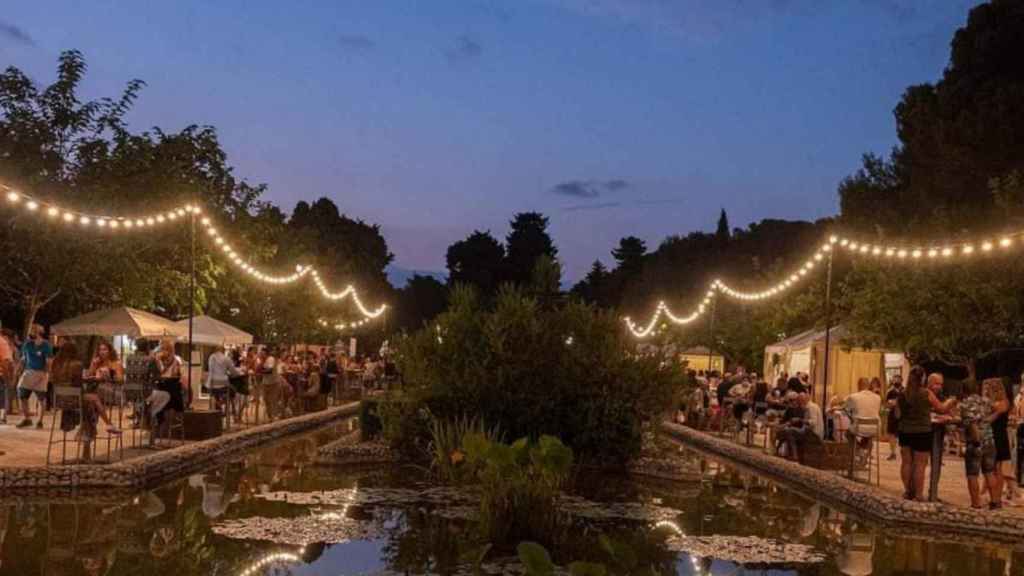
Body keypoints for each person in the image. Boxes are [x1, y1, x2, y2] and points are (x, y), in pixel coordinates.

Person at [896, 366, 955, 501]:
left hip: (905, 431)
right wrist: (951, 401)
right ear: (923, 378)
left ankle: (907, 491)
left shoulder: (902, 393)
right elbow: (941, 409)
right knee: (920, 464)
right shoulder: (926, 393)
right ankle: (918, 495)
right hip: (922, 431)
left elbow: (897, 414)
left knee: (906, 463)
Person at [960, 379, 998, 509]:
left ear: (964, 390)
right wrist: (988, 421)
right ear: (976, 388)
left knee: (972, 474)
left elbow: (972, 424)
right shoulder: (986, 401)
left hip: (975, 443)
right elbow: (996, 411)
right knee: (989, 472)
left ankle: (976, 503)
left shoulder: (965, 404)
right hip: (989, 441)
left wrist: (976, 440)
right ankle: (995, 501)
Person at [15, 324, 52, 429]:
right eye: (31, 330)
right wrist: (18, 370)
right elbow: (23, 359)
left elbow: (49, 362)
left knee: (41, 398)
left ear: (39, 332)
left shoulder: (46, 345)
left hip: (41, 373)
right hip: (28, 372)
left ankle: (40, 421)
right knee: (21, 393)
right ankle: (27, 419)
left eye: (33, 330)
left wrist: (44, 374)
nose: (31, 332)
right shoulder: (27, 344)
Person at [152, 338, 185, 445]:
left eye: (166, 349)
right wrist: (159, 361)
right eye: (162, 349)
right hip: (162, 386)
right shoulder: (158, 359)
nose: (163, 351)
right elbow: (159, 373)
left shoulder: (176, 360)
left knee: (171, 397)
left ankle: (167, 423)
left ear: (170, 350)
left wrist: (170, 366)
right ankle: (161, 424)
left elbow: (176, 374)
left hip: (172, 387)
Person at [985, 377, 1011, 509]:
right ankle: (996, 499)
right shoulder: (1004, 401)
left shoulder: (998, 403)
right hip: (1000, 435)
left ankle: (995, 499)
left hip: (996, 435)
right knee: (997, 469)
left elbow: (989, 417)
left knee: (995, 469)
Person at [845, 377, 882, 441]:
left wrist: (852, 417)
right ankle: (864, 447)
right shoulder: (878, 397)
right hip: (875, 427)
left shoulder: (853, 397)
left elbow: (845, 410)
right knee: (868, 434)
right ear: (868, 385)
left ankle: (858, 448)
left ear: (858, 385)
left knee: (847, 433)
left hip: (859, 428)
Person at [206, 345, 239, 413]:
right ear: (223, 350)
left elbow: (211, 370)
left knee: (216, 395)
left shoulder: (211, 357)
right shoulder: (226, 358)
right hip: (223, 383)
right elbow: (233, 372)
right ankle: (223, 403)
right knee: (233, 391)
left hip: (211, 383)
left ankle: (218, 406)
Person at [885, 374, 904, 460]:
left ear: (901, 380)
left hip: (903, 416)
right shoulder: (889, 391)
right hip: (892, 415)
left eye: (898, 379)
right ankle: (893, 453)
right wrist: (890, 404)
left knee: (903, 435)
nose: (896, 381)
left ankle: (904, 453)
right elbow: (886, 404)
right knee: (891, 434)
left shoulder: (905, 391)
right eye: (895, 379)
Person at [0, 328, 14, 425]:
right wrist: (7, 378)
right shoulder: (2, 343)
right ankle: (2, 417)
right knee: (2, 396)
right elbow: (6, 362)